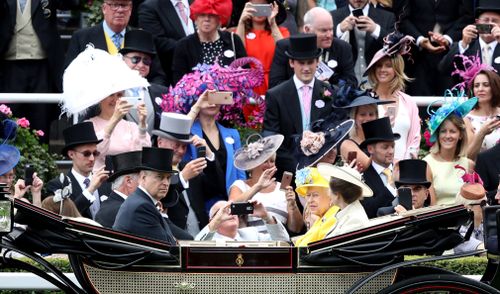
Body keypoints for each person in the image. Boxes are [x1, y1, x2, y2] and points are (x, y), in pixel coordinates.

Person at [263, 34, 345, 179]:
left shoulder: (331, 92)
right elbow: (273, 137)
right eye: (301, 63)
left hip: (324, 170)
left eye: (310, 62)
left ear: (317, 62)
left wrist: (322, 163)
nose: (306, 68)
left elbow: (337, 131)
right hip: (288, 171)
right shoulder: (276, 95)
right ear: (291, 63)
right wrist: (299, 169)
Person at [0, 0, 79, 143]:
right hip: (10, 66)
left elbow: (70, 4)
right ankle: (9, 162)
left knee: (41, 116)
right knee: (9, 118)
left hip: (42, 65)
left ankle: (42, 162)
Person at [62, 46, 152, 172]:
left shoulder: (131, 126)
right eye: (111, 95)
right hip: (101, 182)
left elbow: (142, 153)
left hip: (128, 182)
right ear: (101, 99)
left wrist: (142, 125)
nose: (115, 99)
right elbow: (97, 150)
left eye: (119, 95)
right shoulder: (89, 125)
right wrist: (114, 119)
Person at [64, 0, 166, 85]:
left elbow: (158, 77)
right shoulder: (82, 37)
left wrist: (143, 91)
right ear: (104, 8)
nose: (120, 10)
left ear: (130, 10)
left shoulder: (142, 36)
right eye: (114, 5)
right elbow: (69, 76)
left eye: (124, 5)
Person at [154, 112, 219, 237]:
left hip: (200, 236)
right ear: (160, 142)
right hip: (172, 240)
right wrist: (182, 177)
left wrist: (209, 154)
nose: (180, 151)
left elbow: (214, 188)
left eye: (184, 147)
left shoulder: (188, 167)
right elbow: (162, 199)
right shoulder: (150, 171)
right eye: (176, 145)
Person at [229, 134, 304, 234]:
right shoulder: (240, 185)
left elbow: (296, 229)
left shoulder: (282, 188)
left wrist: (292, 206)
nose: (269, 165)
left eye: (272, 161)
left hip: (278, 244)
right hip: (250, 245)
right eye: (265, 161)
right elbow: (230, 209)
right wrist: (258, 186)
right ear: (252, 165)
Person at [364, 32, 421, 162]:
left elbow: (415, 139)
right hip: (372, 171)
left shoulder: (409, 102)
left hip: (403, 172)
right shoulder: (365, 99)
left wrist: (403, 167)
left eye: (388, 66)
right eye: (378, 65)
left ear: (397, 69)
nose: (382, 69)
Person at [269, 7, 357, 88]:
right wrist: (306, 86)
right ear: (307, 29)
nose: (329, 35)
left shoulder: (343, 47)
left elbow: (352, 83)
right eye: (323, 30)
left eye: (331, 29)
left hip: (332, 103)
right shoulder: (286, 47)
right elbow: (275, 84)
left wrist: (329, 88)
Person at [184, 91, 246, 205]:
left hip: (228, 201)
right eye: (207, 98)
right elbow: (178, 133)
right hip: (199, 200)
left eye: (216, 98)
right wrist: (197, 106)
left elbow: (240, 173)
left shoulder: (232, 134)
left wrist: (239, 201)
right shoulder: (188, 131)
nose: (212, 103)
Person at [395, 0, 467, 96]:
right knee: (419, 104)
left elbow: (467, 16)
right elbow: (401, 17)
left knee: (449, 104)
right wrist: (419, 39)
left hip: (451, 58)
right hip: (416, 58)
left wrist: (448, 38)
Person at [171, 0, 247, 84]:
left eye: (211, 15)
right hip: (198, 97)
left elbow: (245, 73)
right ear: (196, 18)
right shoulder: (184, 45)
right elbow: (179, 83)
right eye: (202, 15)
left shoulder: (234, 40)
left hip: (230, 96)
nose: (206, 19)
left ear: (219, 18)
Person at [113, 147, 177, 243]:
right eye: (160, 177)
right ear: (143, 177)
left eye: (168, 178)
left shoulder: (140, 201)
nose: (166, 183)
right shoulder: (142, 207)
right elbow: (168, 246)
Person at [46, 122, 110, 219]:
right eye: (86, 154)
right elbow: (64, 217)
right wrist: (90, 190)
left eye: (95, 153)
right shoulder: (58, 185)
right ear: (71, 154)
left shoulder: (105, 183)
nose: (92, 158)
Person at [424, 97, 477, 205]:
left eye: (452, 131)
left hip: (465, 219)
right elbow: (431, 207)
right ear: (438, 135)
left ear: (461, 135)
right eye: (443, 131)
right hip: (439, 219)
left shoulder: (469, 164)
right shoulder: (427, 164)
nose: (448, 136)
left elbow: (473, 202)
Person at [332, 0, 395, 83]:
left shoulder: (387, 17)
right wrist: (339, 30)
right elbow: (323, 47)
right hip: (343, 81)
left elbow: (396, 47)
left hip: (377, 80)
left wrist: (376, 30)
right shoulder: (332, 16)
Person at [120, 29, 169, 134]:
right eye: (135, 59)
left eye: (146, 61)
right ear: (123, 60)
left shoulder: (162, 92)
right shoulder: (111, 93)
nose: (141, 65)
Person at [334, 84, 394, 171]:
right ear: (354, 117)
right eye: (362, 114)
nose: (367, 118)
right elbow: (369, 167)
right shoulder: (347, 144)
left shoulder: (381, 140)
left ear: (376, 116)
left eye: (371, 114)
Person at [235, 0, 289, 95]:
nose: (258, 10)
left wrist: (272, 23)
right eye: (254, 6)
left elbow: (285, 52)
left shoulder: (282, 31)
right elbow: (238, 53)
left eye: (263, 6)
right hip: (248, 84)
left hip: (275, 82)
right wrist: (241, 22)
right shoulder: (239, 31)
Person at [138, 0, 195, 86]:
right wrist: (195, 46)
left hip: (207, 76)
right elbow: (158, 42)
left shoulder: (199, 2)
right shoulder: (150, 7)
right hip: (173, 80)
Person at [451, 61, 500, 160]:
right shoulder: (467, 119)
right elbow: (467, 158)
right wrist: (482, 133)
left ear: (495, 87)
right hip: (480, 170)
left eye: (486, 85)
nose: (480, 89)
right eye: (476, 86)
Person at [439, 0, 500, 76]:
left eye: (495, 21)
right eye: (485, 20)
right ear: (477, 23)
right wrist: (463, 44)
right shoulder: (467, 46)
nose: (489, 24)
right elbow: (443, 68)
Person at [358, 117, 399, 218]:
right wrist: (391, 186)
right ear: (370, 149)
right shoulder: (362, 178)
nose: (391, 151)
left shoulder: (403, 170)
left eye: (392, 146)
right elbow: (367, 211)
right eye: (385, 147)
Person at [317, 163, 372, 238]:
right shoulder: (346, 212)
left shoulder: (354, 220)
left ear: (337, 195)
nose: (328, 194)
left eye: (329, 189)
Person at [195, 200, 290, 241]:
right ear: (211, 219)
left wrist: (266, 216)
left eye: (232, 209)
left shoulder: (252, 234)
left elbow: (283, 242)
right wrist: (215, 222)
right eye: (223, 211)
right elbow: (195, 250)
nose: (230, 214)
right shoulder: (209, 240)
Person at [95, 151, 141, 228]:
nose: (145, 185)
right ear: (129, 181)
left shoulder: (109, 205)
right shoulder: (128, 210)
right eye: (142, 179)